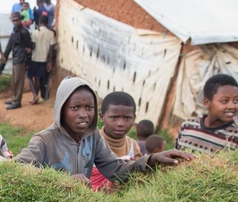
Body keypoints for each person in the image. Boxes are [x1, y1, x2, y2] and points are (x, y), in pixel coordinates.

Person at [15, 76, 192, 186]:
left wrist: (151, 159)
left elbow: (115, 169)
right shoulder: (45, 140)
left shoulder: (92, 137)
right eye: (75, 108)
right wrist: (62, 182)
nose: (84, 115)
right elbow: (16, 169)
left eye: (89, 107)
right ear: (61, 109)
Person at [175, 74, 238, 154]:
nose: (232, 106)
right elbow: (176, 158)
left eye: (236, 100)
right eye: (225, 101)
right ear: (207, 102)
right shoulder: (188, 126)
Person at [89, 92, 143, 191]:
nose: (121, 124)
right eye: (114, 117)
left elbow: (137, 178)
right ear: (101, 117)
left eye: (127, 118)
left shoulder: (133, 146)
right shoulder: (90, 142)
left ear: (134, 119)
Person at [1, 12, 32, 110]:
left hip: (21, 58)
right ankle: (14, 98)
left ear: (20, 20)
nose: (15, 22)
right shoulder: (15, 30)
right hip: (15, 57)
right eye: (14, 20)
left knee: (18, 80)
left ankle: (17, 101)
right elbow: (10, 46)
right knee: (15, 80)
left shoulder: (23, 31)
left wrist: (27, 60)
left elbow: (29, 45)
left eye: (17, 20)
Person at [28, 15, 55, 104]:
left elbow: (33, 46)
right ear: (47, 23)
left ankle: (35, 96)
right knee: (42, 79)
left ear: (39, 23)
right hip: (44, 60)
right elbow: (51, 49)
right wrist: (50, 62)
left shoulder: (35, 32)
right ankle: (42, 96)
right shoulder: (51, 33)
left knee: (36, 79)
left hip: (35, 58)